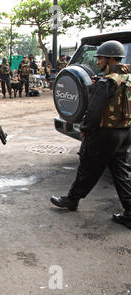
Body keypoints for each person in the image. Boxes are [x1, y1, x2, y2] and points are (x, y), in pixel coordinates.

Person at [50, 40, 131, 229]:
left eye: (101, 58)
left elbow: (94, 110)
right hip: (125, 132)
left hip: (105, 133)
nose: (98, 62)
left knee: (87, 167)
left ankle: (71, 200)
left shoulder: (107, 82)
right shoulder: (126, 78)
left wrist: (85, 128)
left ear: (111, 59)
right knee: (121, 172)